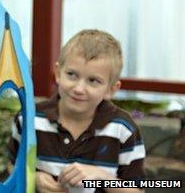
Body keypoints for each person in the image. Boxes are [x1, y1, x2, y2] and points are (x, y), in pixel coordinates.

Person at [35, 29, 146, 193]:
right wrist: (33, 178)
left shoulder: (123, 129)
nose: (79, 89)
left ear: (111, 89)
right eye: (72, 74)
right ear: (58, 73)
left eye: (93, 80)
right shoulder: (30, 119)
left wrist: (102, 177)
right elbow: (9, 168)